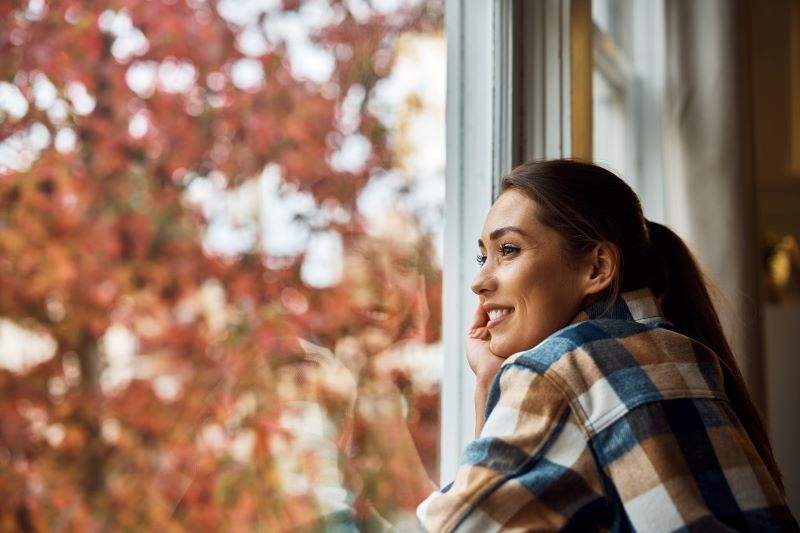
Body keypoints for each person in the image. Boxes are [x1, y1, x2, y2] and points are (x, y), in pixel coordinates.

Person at [416, 159, 799, 531]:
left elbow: (458, 526)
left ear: (597, 268)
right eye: (484, 256)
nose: (479, 281)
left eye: (509, 250)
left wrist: (490, 386)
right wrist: (491, 379)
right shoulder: (687, 353)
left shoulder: (561, 368)